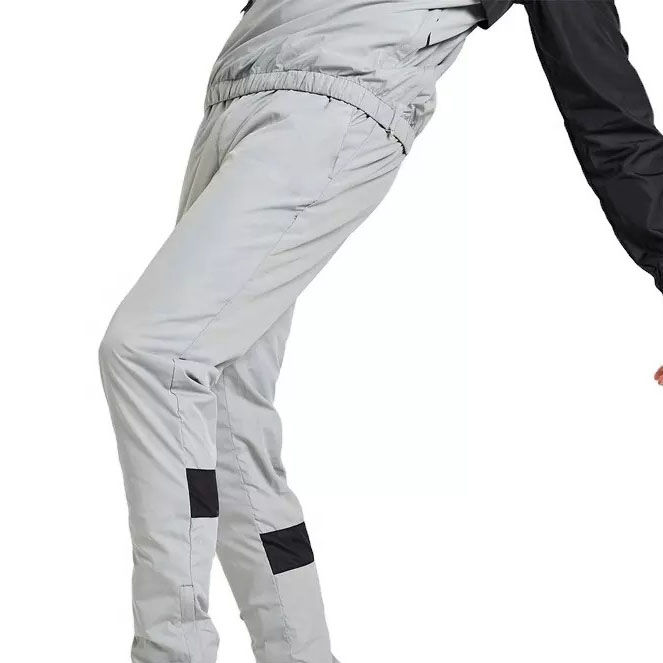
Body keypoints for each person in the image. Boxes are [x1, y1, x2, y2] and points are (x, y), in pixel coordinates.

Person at [99, 2, 663, 662]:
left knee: (154, 352)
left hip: (331, 103)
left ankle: (170, 650)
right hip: (236, 97)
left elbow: (607, 110)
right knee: (225, 412)